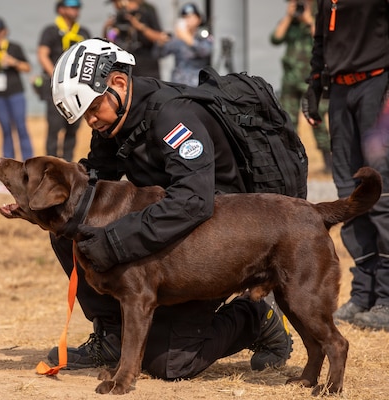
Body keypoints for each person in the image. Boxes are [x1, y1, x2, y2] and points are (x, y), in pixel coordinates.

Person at [46, 38, 293, 379]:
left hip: (216, 240)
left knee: (169, 363)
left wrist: (116, 242)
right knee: (69, 230)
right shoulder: (113, 121)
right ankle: (113, 335)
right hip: (172, 232)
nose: (90, 121)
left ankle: (254, 319)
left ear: (118, 83)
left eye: (92, 109)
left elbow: (193, 202)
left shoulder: (173, 117)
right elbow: (94, 183)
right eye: (84, 115)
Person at [302, 0, 389, 330]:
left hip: (377, 84)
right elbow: (321, 41)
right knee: (349, 195)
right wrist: (314, 86)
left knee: (381, 193)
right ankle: (364, 291)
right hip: (340, 91)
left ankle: (387, 296)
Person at [271, 0, 331, 174]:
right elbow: (275, 38)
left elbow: (324, 39)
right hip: (290, 79)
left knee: (317, 118)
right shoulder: (291, 22)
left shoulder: (318, 16)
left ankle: (328, 163)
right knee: (287, 121)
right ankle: (291, 163)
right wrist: (289, 17)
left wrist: (308, 20)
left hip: (311, 79)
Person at [37, 0, 90, 161]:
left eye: (77, 7)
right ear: (61, 9)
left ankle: (67, 165)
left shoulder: (83, 32)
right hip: (56, 88)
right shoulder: (51, 31)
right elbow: (42, 54)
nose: (75, 10)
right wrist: (58, 76)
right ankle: (51, 165)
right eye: (71, 7)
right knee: (54, 128)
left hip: (76, 88)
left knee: (73, 127)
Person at [0, 16, 33, 160]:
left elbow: (27, 67)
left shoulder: (15, 48)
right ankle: (9, 163)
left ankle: (28, 161)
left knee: (21, 127)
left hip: (15, 94)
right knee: (5, 129)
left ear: (5, 31)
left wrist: (13, 62)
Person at [103, 0, 168, 79]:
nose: (115, 6)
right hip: (128, 70)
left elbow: (161, 37)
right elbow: (110, 41)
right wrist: (106, 29)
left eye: (116, 3)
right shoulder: (120, 17)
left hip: (148, 69)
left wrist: (139, 26)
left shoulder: (146, 11)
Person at [156, 2, 213, 87]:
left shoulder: (203, 36)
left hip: (198, 83)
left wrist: (186, 37)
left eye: (190, 17)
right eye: (184, 18)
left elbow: (204, 51)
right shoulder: (177, 38)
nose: (187, 20)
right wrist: (160, 43)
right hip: (178, 84)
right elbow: (159, 54)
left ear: (198, 19)